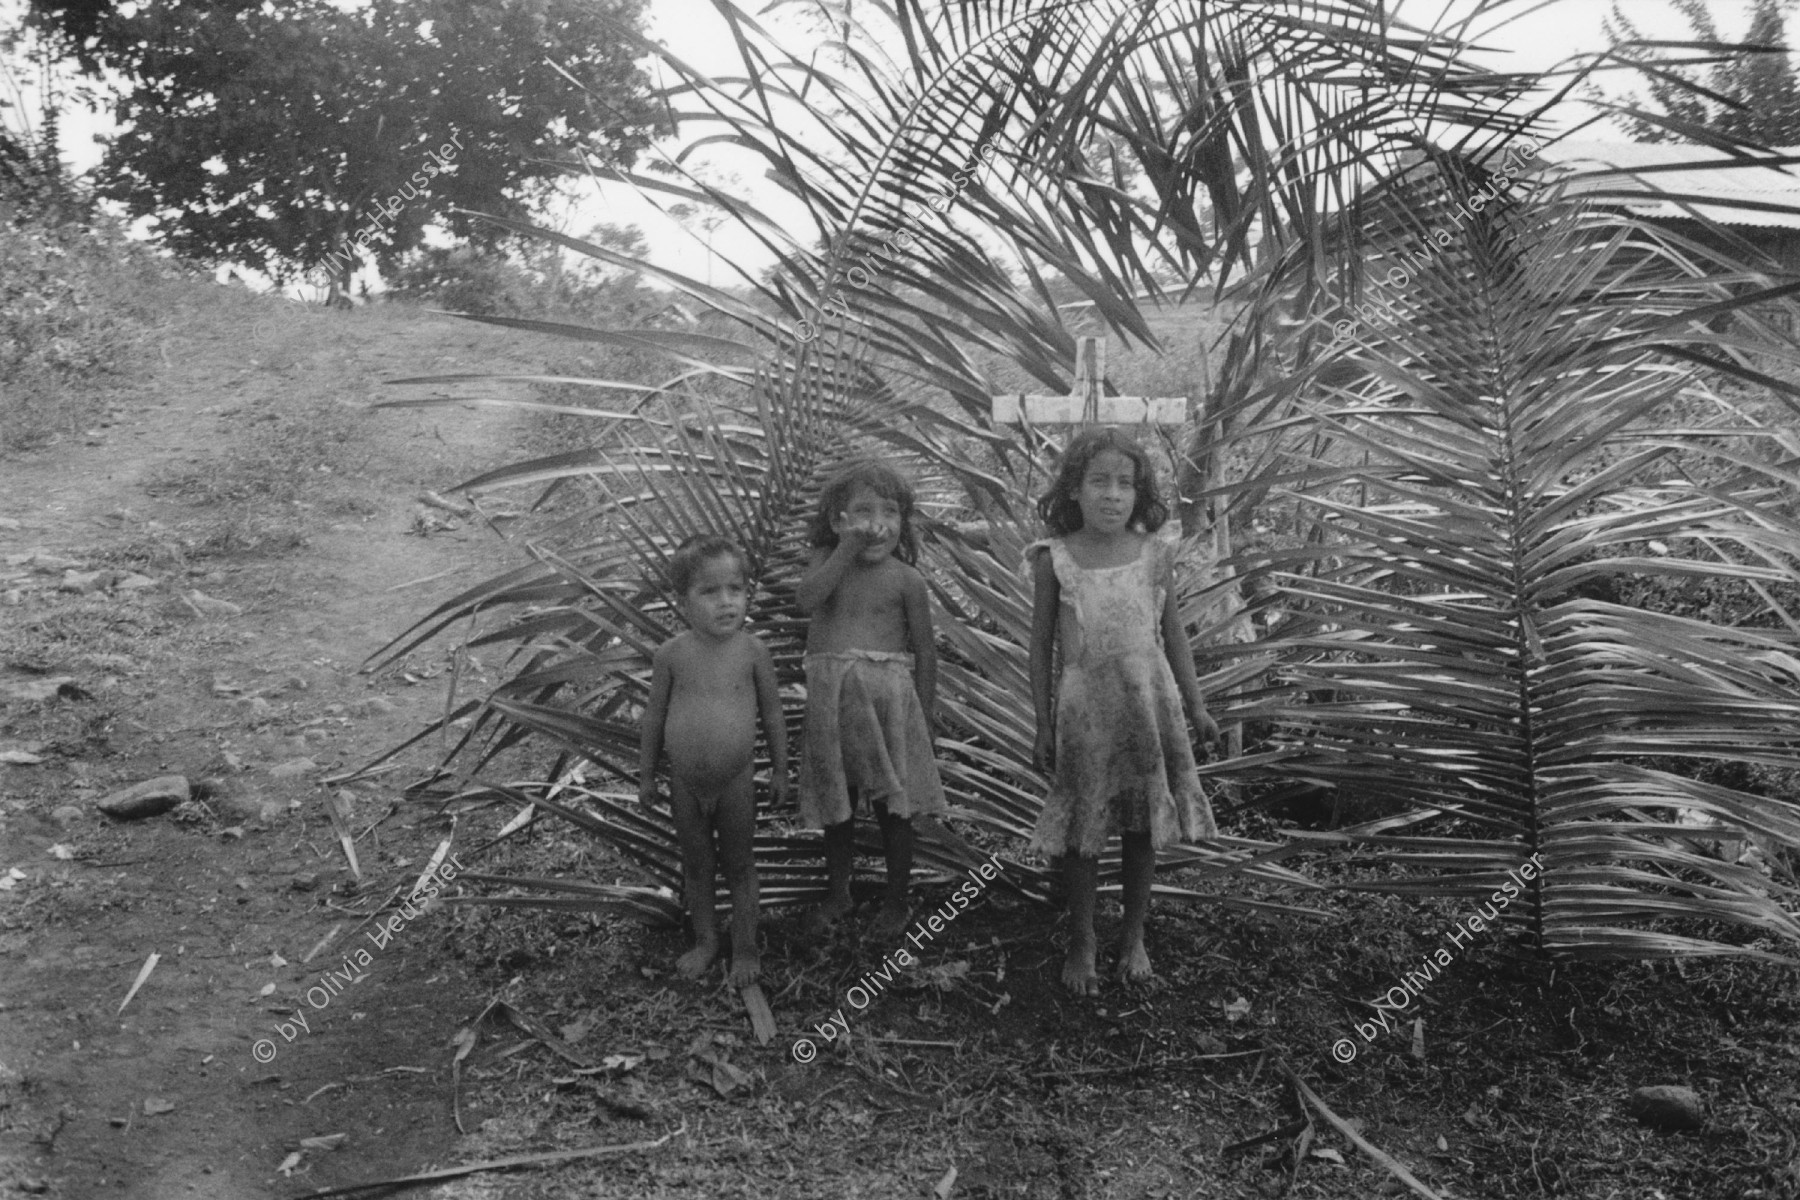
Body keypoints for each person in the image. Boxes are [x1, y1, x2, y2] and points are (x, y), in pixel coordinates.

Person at [1028, 428, 1220, 993]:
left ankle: (1133, 933)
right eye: (1098, 482)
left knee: (1141, 823)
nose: (1112, 495)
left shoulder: (1154, 555)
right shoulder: (1054, 560)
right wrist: (1042, 723)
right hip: (1086, 708)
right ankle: (1083, 938)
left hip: (1148, 700)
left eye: (1125, 483)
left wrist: (1196, 704)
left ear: (1140, 493)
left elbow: (1174, 633)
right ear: (1073, 491)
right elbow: (1041, 648)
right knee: (1086, 825)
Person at [796, 459, 948, 942]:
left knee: (894, 809)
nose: (877, 523)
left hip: (890, 708)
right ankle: (839, 892)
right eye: (863, 511)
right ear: (839, 520)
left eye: (891, 511)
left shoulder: (907, 580)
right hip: (833, 705)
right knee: (839, 805)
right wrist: (842, 550)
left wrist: (923, 714)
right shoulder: (826, 561)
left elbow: (925, 651)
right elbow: (806, 600)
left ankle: (896, 901)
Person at [638, 534, 787, 985]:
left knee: (740, 865)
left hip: (736, 781)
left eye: (735, 589)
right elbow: (654, 717)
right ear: (682, 601)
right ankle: (706, 940)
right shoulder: (671, 656)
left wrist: (781, 769)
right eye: (709, 591)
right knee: (697, 865)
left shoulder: (752, 651)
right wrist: (646, 776)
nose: (726, 602)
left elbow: (773, 712)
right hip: (684, 783)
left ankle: (744, 948)